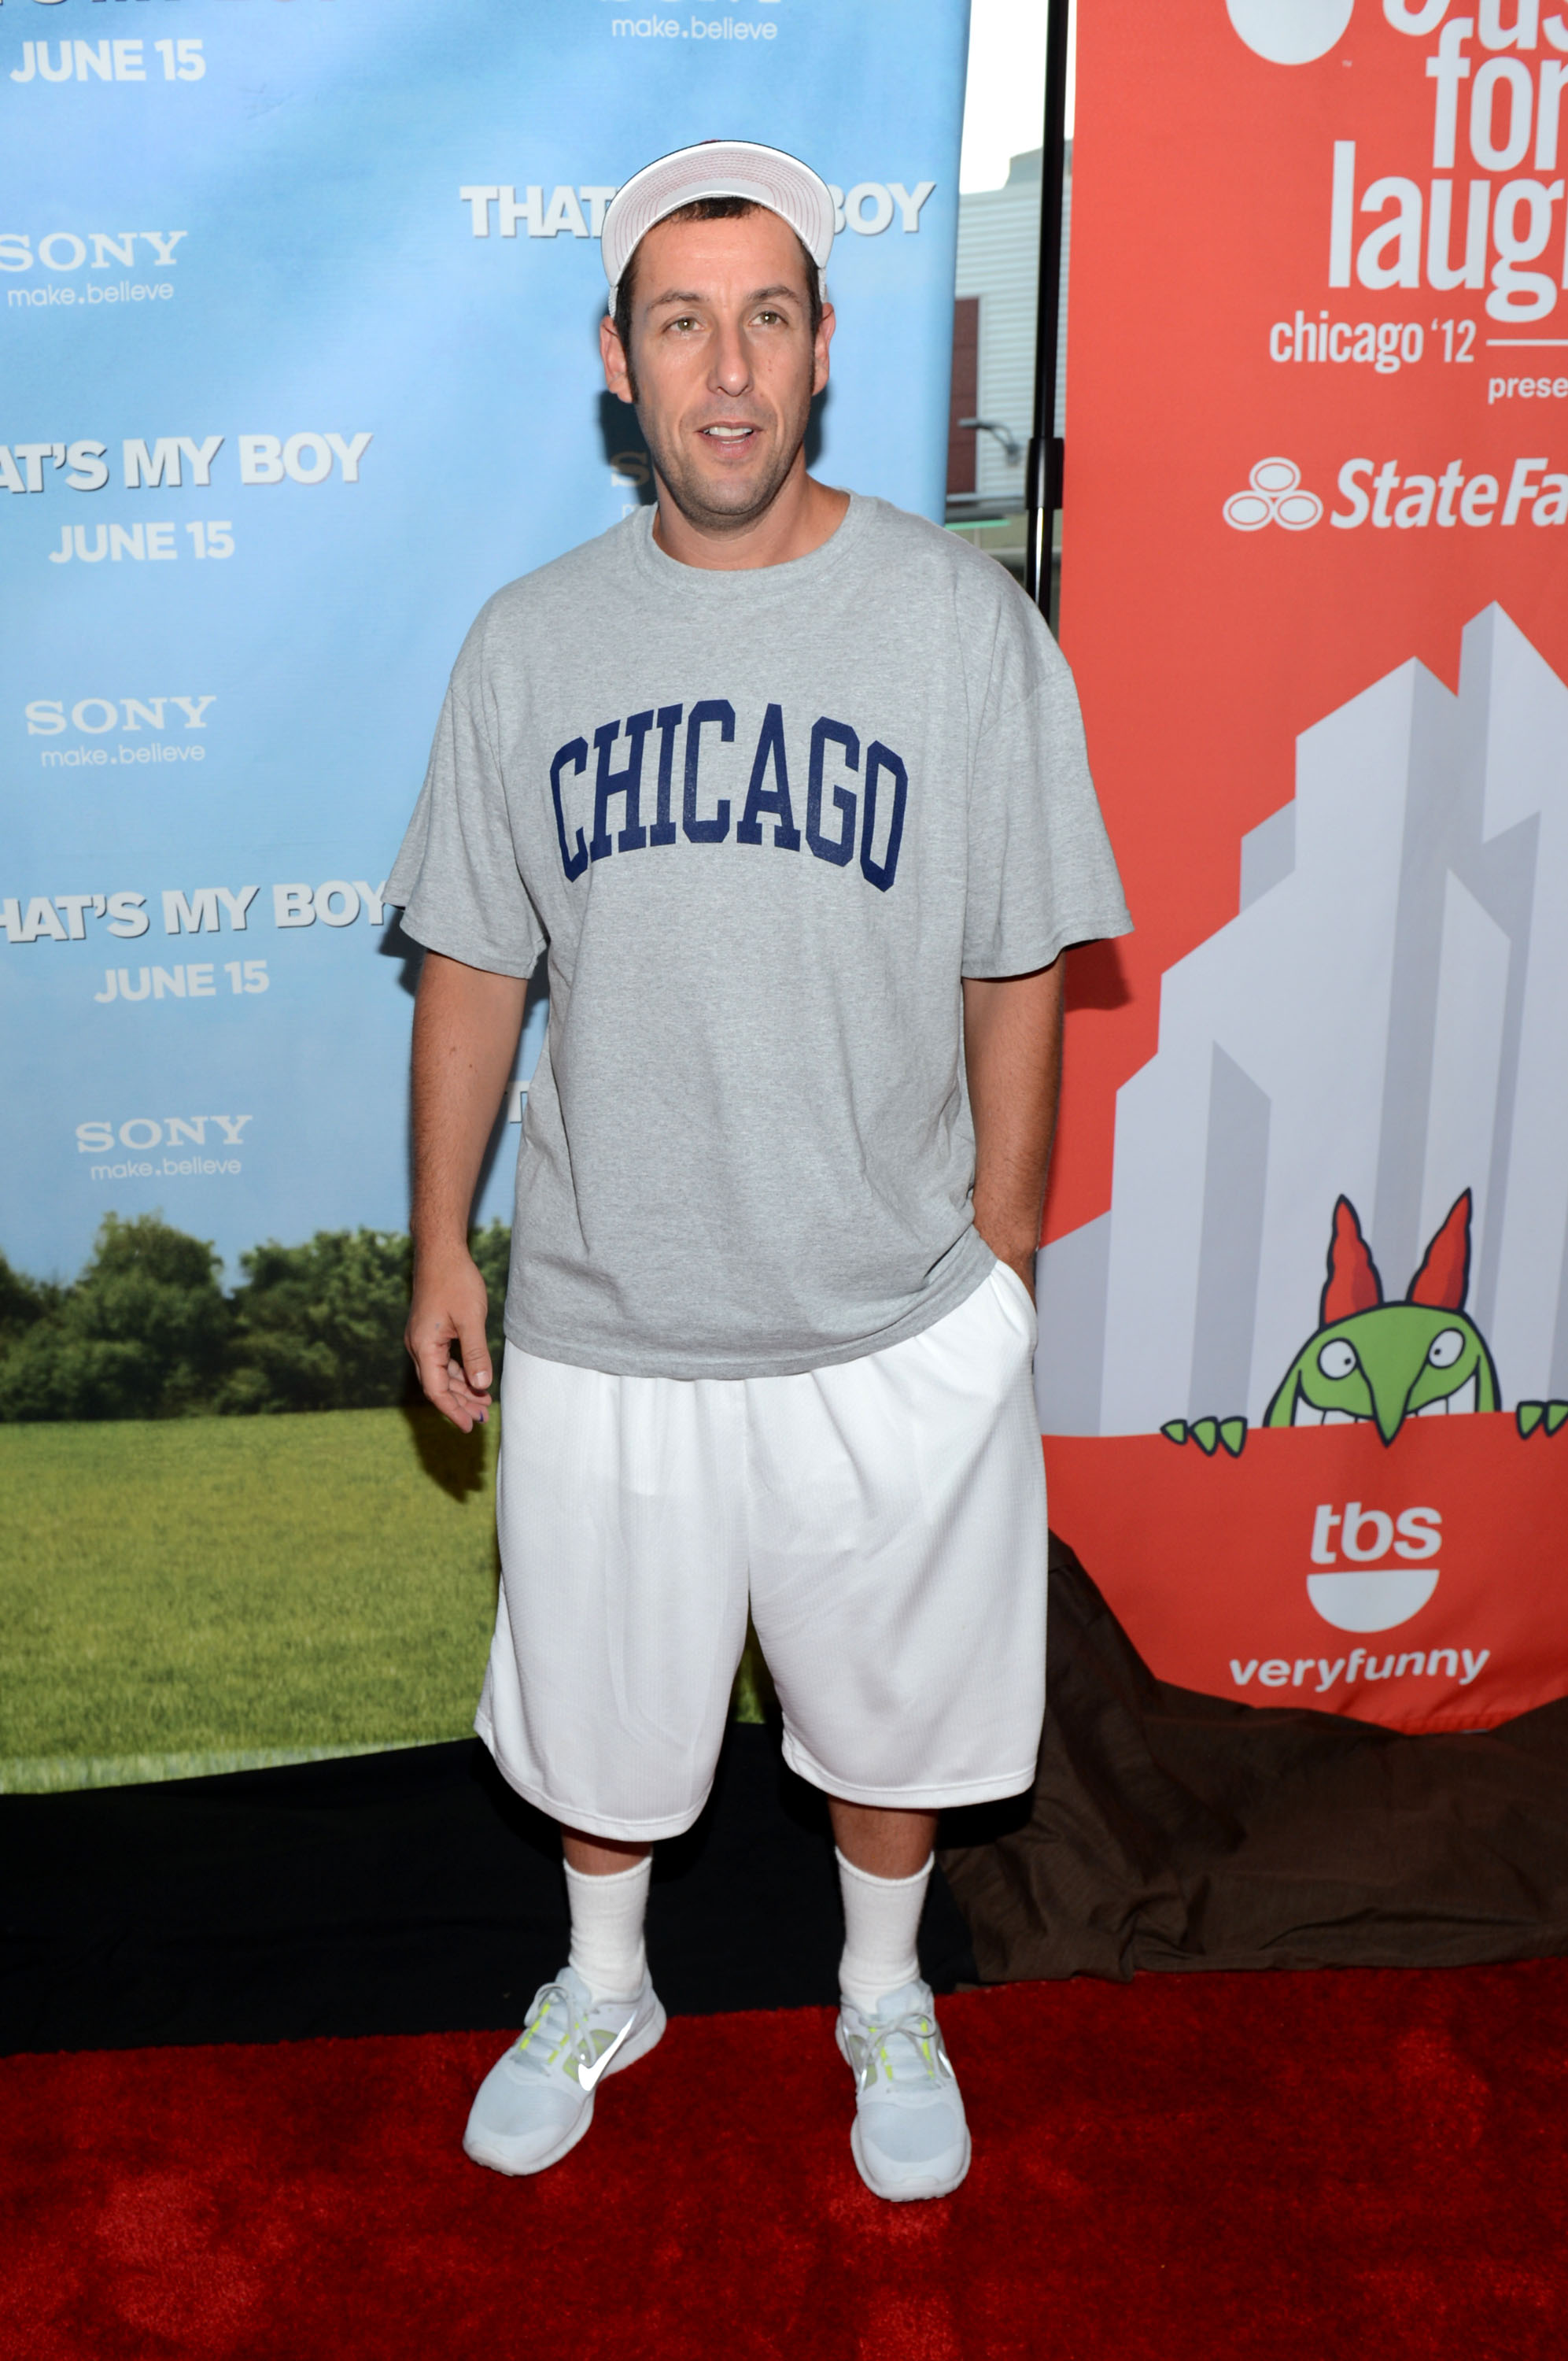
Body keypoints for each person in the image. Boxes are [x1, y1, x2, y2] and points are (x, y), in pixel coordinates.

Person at [388, 139, 1130, 2203]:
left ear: (821, 349)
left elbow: (1021, 952)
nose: (727, 366)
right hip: (616, 1310)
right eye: (681, 320)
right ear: (613, 362)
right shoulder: (528, 641)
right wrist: (444, 1238)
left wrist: (998, 1245)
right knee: (604, 1725)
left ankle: (879, 1990)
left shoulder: (956, 622)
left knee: (892, 1719)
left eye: (770, 316)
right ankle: (604, 1979)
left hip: (888, 1303)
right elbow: (472, 959)